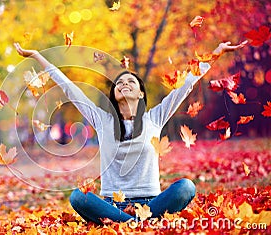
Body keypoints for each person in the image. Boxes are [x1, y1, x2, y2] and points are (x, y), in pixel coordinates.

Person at [14, 40, 247, 224]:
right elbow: (69, 88)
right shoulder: (102, 120)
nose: (124, 83)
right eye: (120, 83)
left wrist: (215, 54)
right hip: (112, 205)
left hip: (152, 203)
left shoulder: (154, 117)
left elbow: (186, 85)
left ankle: (126, 224)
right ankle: (136, 224)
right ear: (114, 94)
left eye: (131, 82)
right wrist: (36, 55)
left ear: (141, 94)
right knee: (77, 196)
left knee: (186, 187)